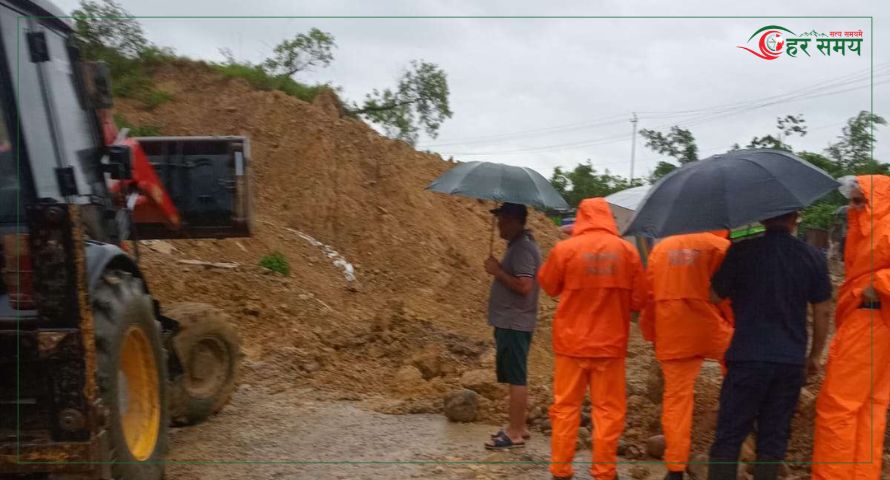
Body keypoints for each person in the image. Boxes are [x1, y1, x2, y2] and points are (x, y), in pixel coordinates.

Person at [706, 211, 832, 480]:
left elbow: (714, 296)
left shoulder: (741, 252)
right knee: (773, 437)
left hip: (747, 357)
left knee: (729, 434)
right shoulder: (812, 257)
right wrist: (815, 355)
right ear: (795, 218)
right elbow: (823, 310)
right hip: (789, 361)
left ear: (763, 218)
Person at [538, 197, 646, 480]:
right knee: (608, 411)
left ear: (582, 217)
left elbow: (548, 285)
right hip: (610, 345)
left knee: (565, 408)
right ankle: (604, 471)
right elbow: (638, 300)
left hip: (571, 344)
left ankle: (561, 471)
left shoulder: (565, 249)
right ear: (608, 218)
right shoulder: (627, 251)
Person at [812, 175, 890, 480]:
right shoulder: (869, 226)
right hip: (875, 322)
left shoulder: (882, 229)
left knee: (838, 406)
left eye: (860, 200)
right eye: (852, 200)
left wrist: (878, 284)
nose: (852, 206)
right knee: (870, 407)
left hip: (869, 321)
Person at [640, 231, 734, 480]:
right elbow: (729, 296)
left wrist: (652, 333)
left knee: (676, 400)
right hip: (710, 326)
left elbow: (650, 297)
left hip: (673, 329)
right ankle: (735, 449)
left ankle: (675, 468)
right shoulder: (720, 246)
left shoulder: (660, 250)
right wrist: (736, 329)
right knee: (738, 380)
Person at [482, 202, 541, 451]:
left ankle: (515, 433)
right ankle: (520, 426)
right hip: (510, 322)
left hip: (515, 323)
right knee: (513, 376)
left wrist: (497, 272)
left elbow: (525, 286)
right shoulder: (517, 247)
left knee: (517, 378)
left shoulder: (524, 250)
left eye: (502, 220)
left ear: (515, 220)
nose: (498, 225)